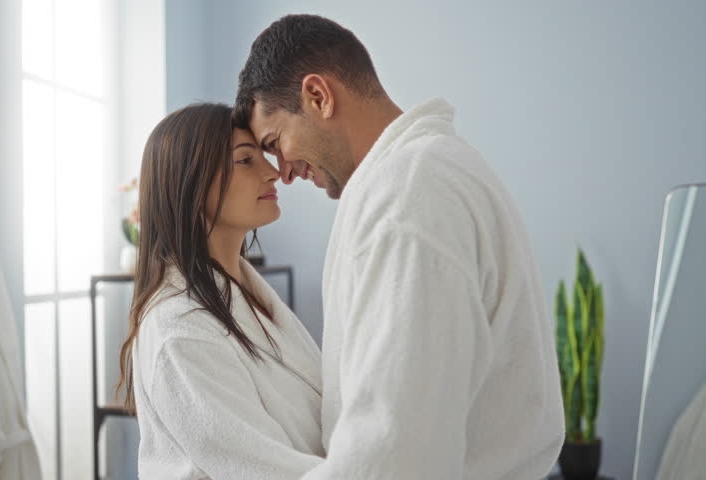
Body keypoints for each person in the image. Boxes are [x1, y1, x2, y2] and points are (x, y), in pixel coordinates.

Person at [233, 14, 565, 480]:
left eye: (275, 142)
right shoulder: (433, 170)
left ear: (318, 96)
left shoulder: (406, 196)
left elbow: (396, 450)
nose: (282, 171)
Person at [116, 103, 324, 479]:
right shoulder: (179, 329)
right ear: (191, 184)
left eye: (263, 155)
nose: (274, 172)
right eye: (245, 160)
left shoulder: (250, 294)